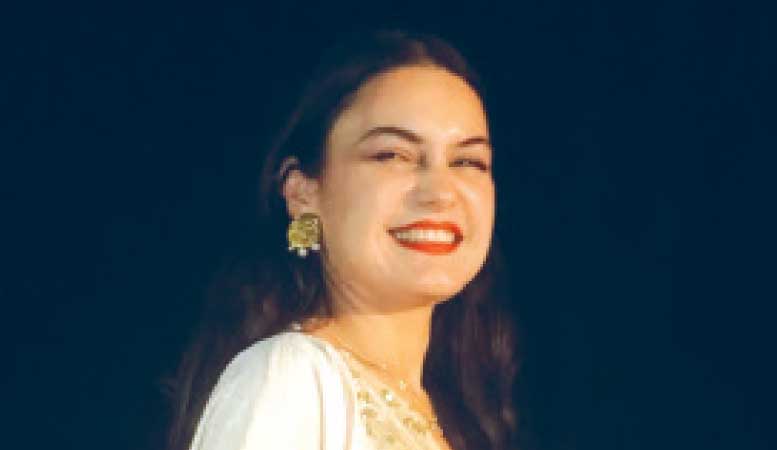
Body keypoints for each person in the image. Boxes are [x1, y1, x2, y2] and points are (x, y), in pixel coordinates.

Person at [167, 30, 519, 450]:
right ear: (302, 194)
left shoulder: (446, 414)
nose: (441, 192)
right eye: (392, 155)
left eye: (468, 161)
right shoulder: (293, 377)